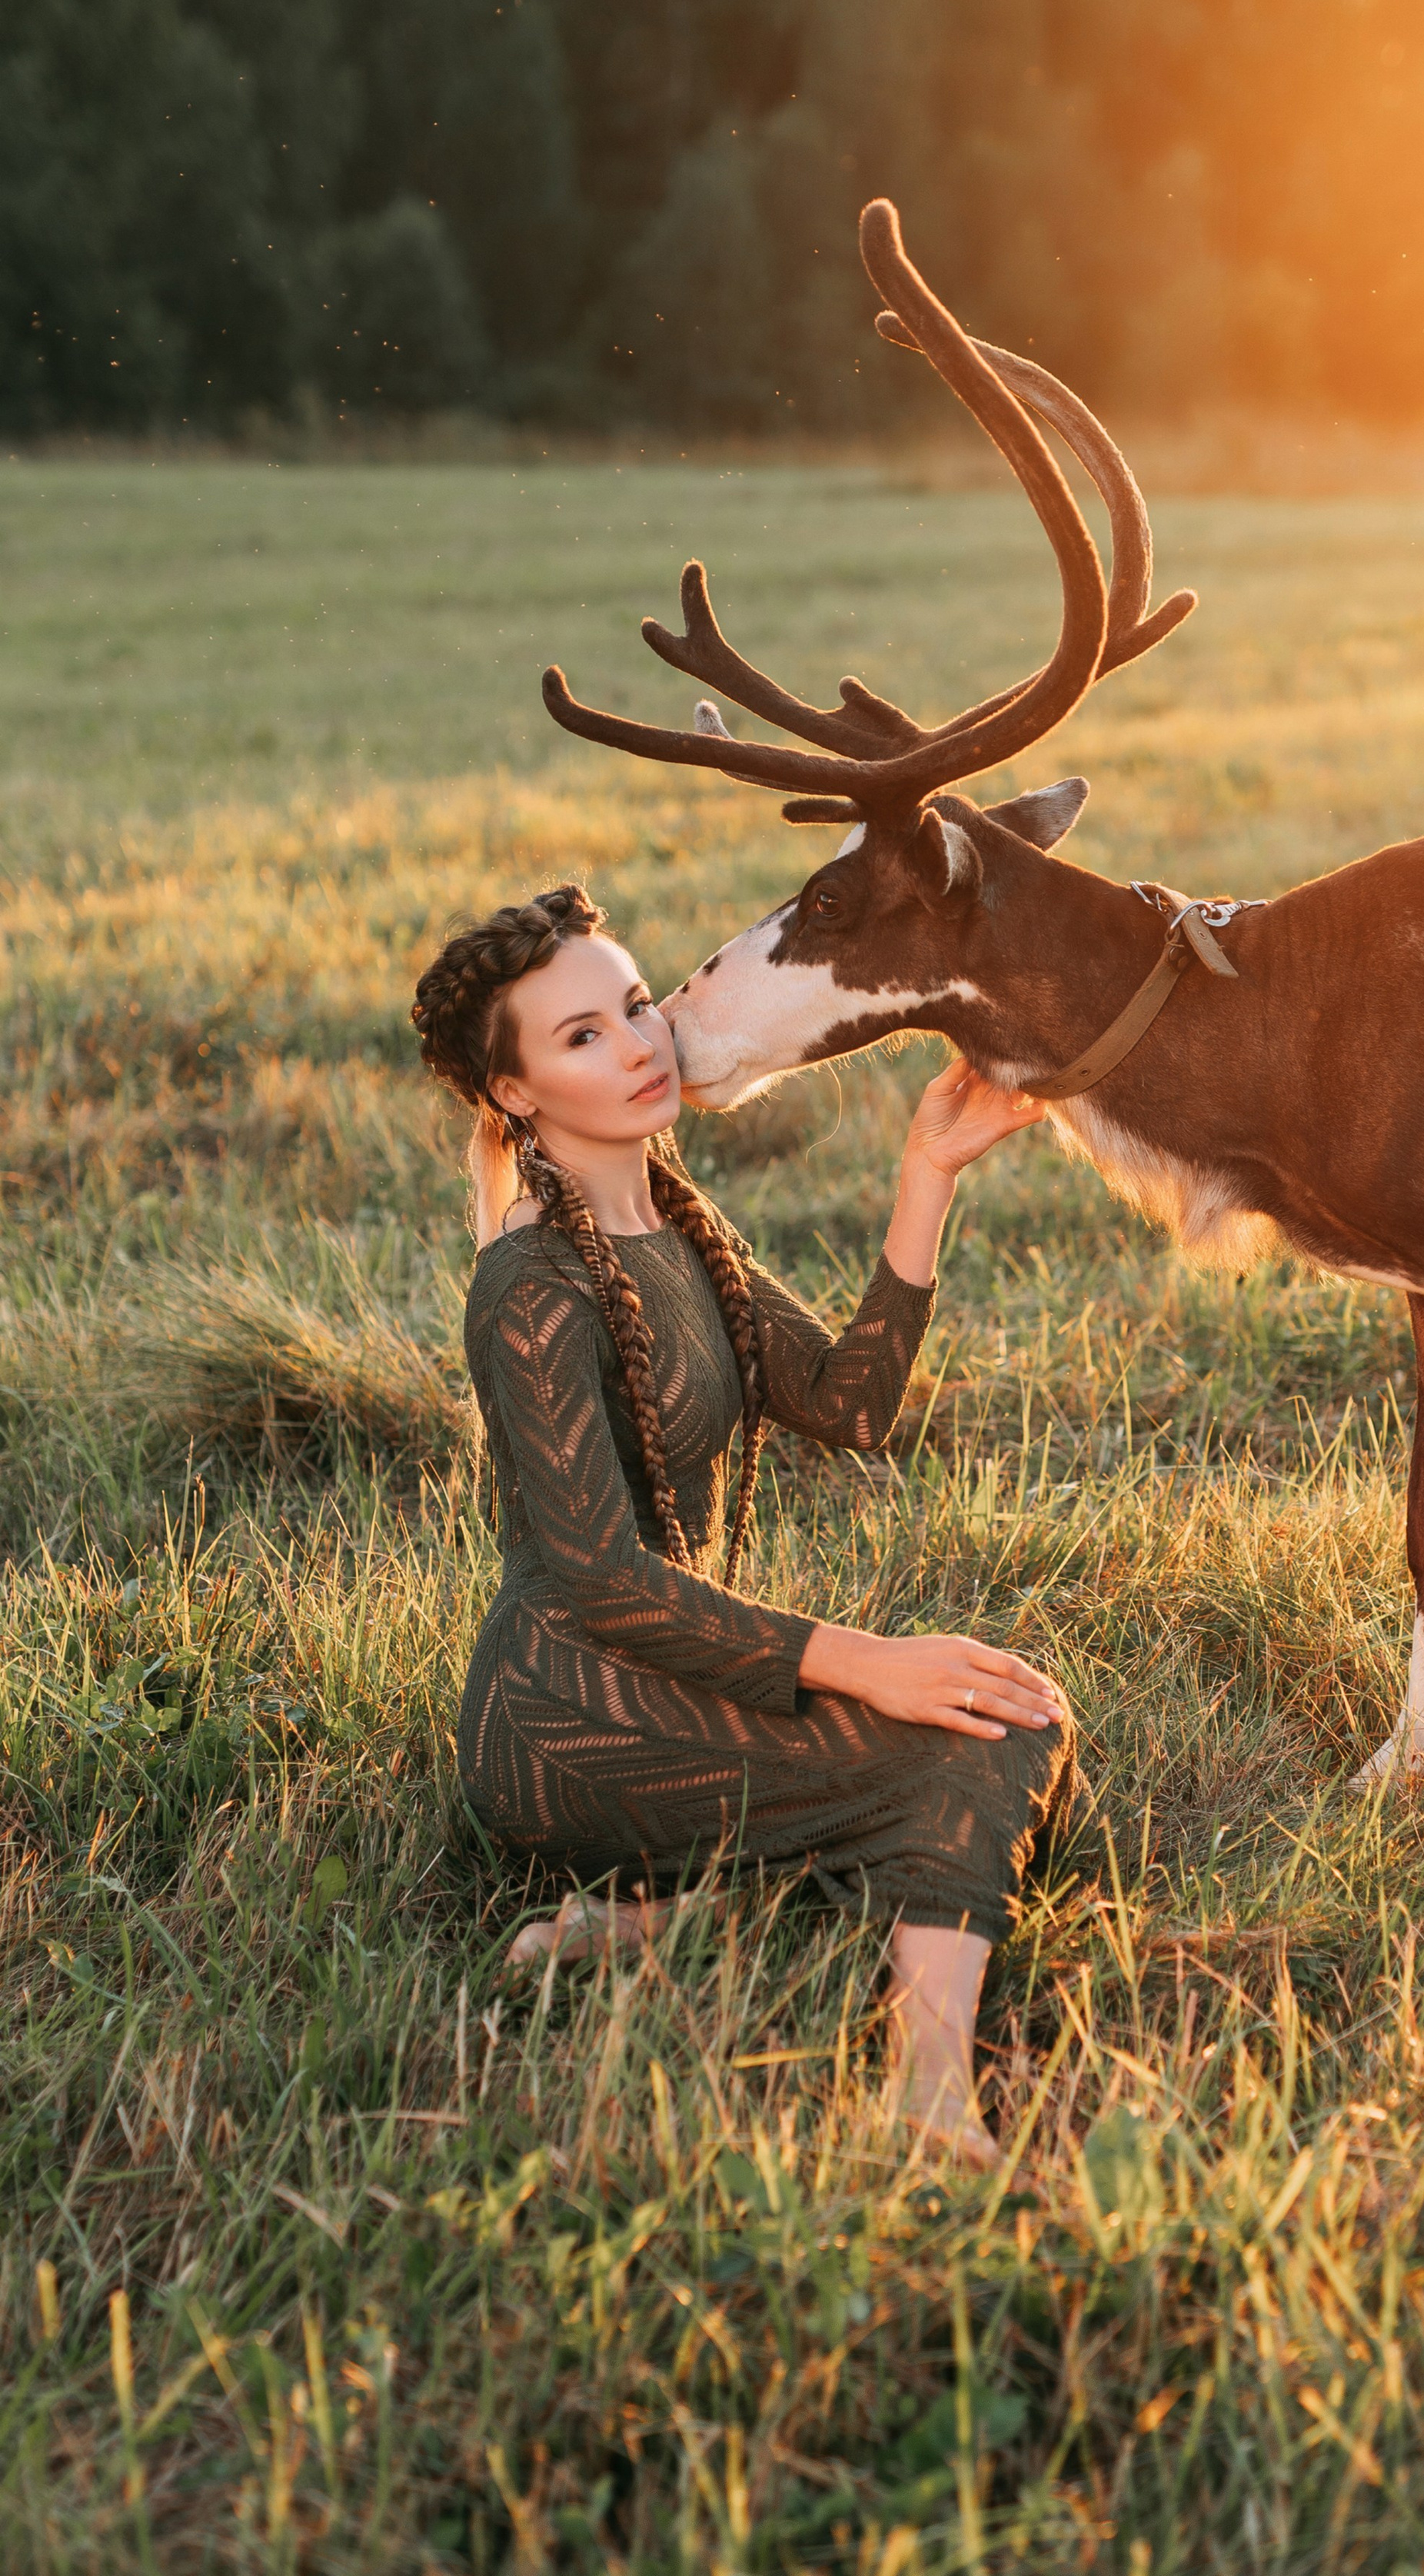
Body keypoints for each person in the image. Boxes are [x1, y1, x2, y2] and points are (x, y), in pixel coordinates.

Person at [411, 881, 1075, 2152]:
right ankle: (929, 2095)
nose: (639, 1044)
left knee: (1017, 1720)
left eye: (635, 1004)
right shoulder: (529, 1287)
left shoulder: (677, 1226)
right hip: (565, 1713)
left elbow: (849, 1406)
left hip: (689, 1669)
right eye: (582, 1036)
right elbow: (604, 1581)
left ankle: (666, 1918)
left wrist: (928, 1174)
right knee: (983, 1751)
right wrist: (864, 1661)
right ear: (516, 1094)